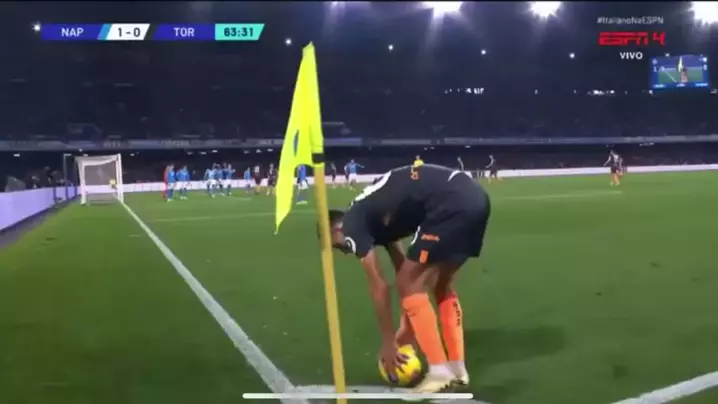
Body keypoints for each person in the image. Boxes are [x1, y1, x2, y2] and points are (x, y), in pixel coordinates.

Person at [325, 164, 491, 393]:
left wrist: (388, 342)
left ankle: (439, 372)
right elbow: (403, 268)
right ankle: (457, 368)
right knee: (440, 285)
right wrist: (407, 329)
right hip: (475, 198)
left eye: (337, 246)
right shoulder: (374, 214)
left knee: (409, 283)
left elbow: (380, 287)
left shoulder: (352, 225)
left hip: (449, 204)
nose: (344, 252)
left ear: (335, 230)